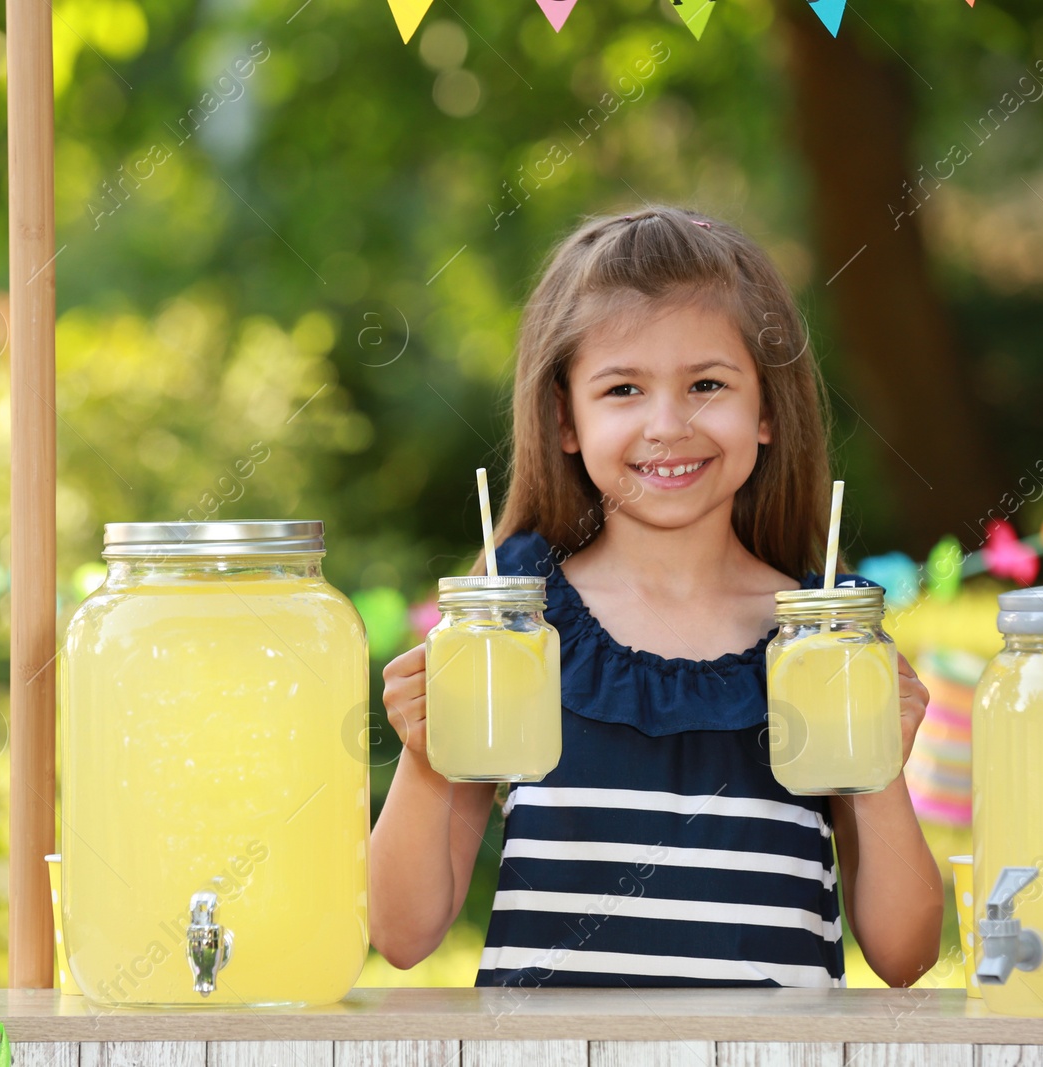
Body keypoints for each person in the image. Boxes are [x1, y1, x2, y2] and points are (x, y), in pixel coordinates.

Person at [370, 205, 942, 989]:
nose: (667, 424)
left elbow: (905, 955)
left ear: (768, 409)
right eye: (623, 388)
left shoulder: (826, 637)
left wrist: (878, 766)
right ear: (565, 416)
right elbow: (402, 934)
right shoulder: (514, 618)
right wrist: (426, 756)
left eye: (707, 383)